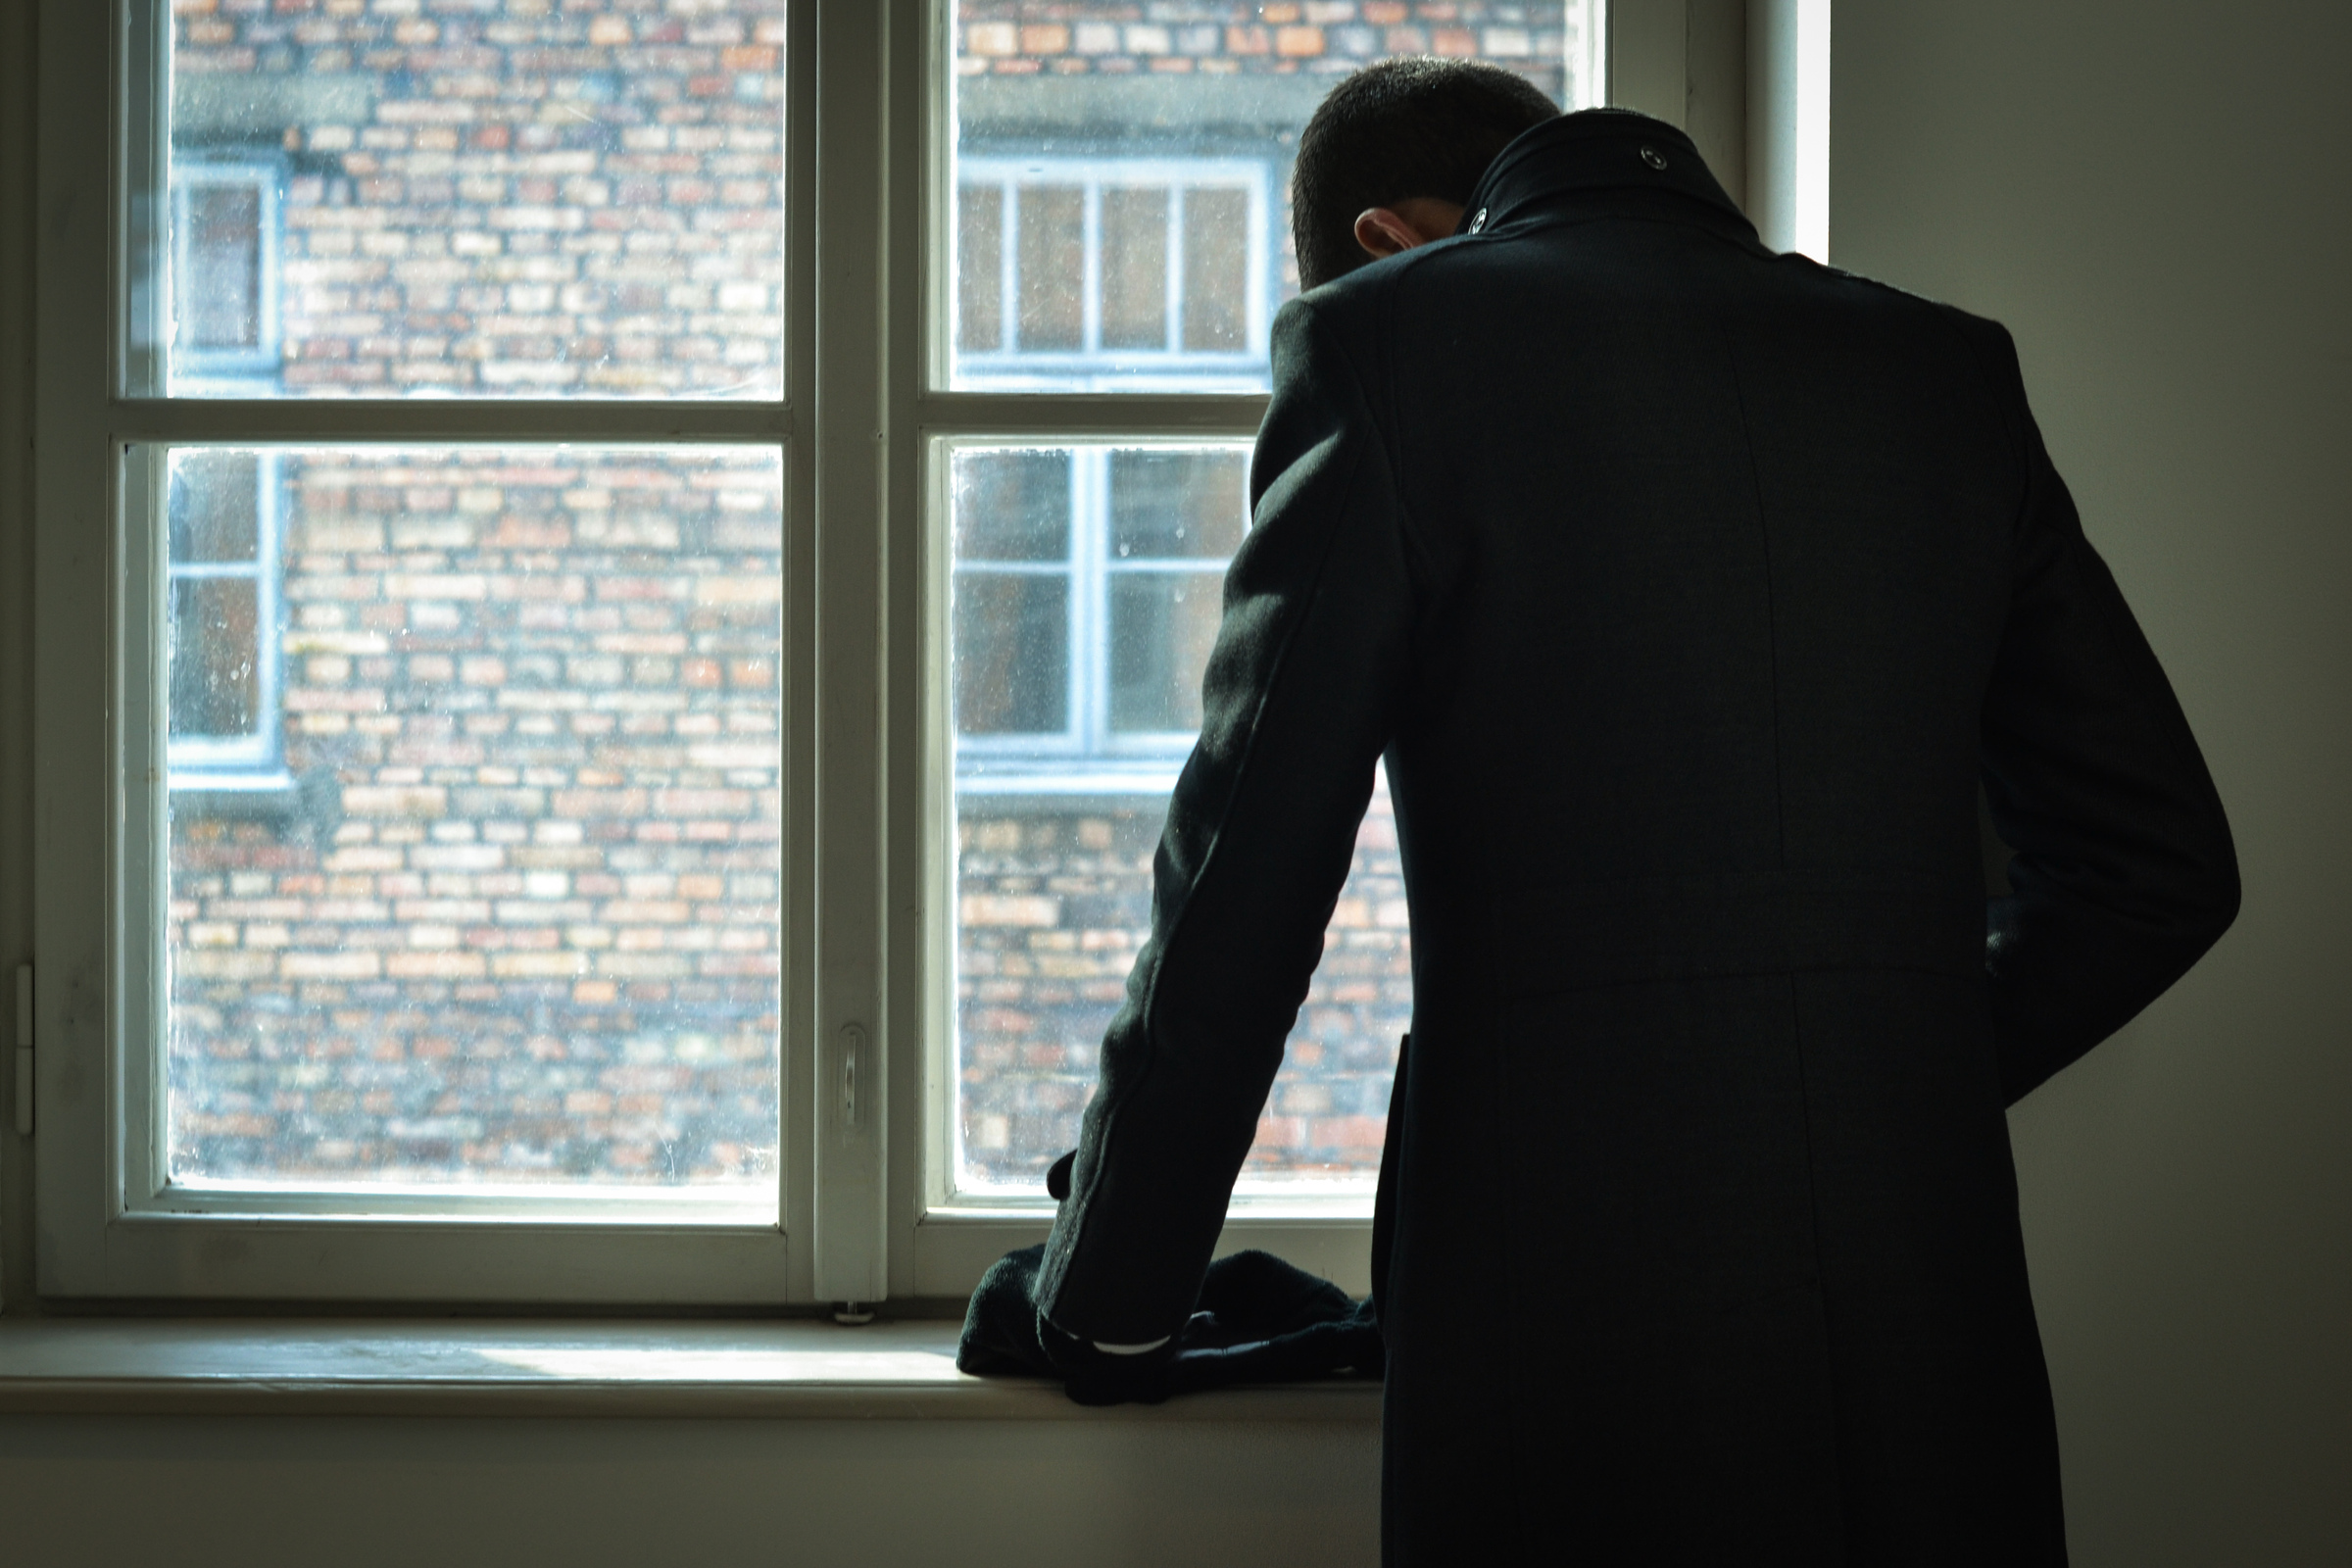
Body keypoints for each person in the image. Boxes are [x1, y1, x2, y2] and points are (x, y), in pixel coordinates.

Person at [984, 59, 2241, 1563]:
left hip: (1566, 1337)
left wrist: (1113, 1301)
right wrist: (1881, 1074)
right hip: (1928, 1334)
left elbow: (1241, 881)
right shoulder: (1941, 368)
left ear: (1384, 244)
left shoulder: (1389, 341)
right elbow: (2156, 869)